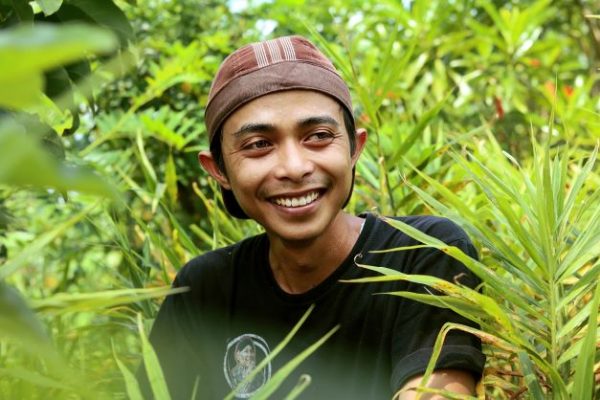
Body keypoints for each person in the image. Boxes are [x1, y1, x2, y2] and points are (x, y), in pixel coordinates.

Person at [140, 35, 485, 399]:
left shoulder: (422, 254)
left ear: (355, 148)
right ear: (219, 170)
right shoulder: (203, 291)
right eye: (259, 144)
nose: (294, 167)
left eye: (318, 136)